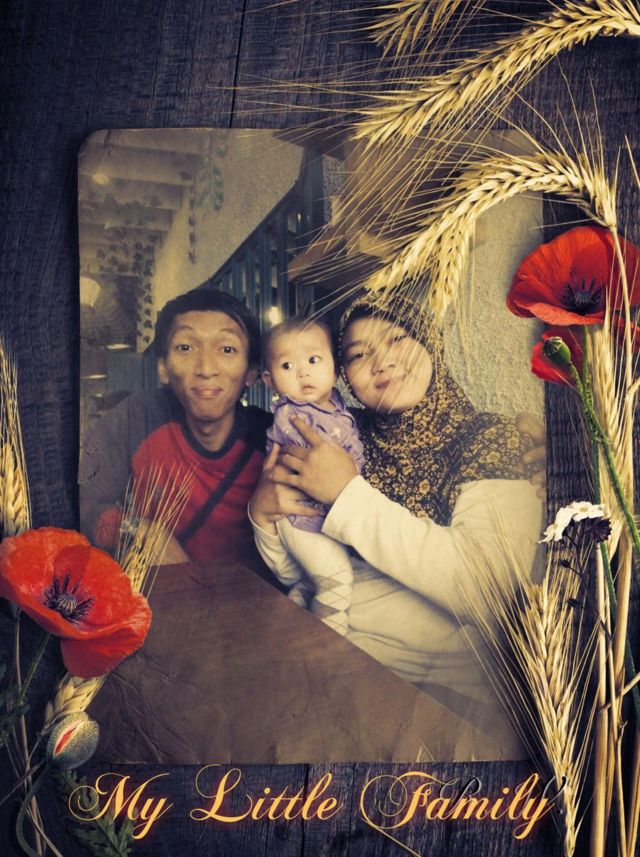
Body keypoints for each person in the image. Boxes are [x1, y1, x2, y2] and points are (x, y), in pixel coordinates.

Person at [249, 294, 544, 752]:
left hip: (443, 707)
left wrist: (346, 493)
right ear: (342, 375)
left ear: (430, 342)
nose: (382, 361)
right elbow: (300, 573)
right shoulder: (340, 435)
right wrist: (263, 517)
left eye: (398, 338)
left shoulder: (491, 439)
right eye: (358, 354)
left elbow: (484, 587)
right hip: (329, 671)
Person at [79, 285, 274, 575]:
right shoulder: (139, 417)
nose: (206, 368)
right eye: (185, 347)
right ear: (163, 367)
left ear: (251, 371)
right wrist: (138, 532)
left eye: (227, 349)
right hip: (160, 595)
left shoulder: (271, 438)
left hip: (252, 599)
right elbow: (82, 503)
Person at [262, 317, 365, 634]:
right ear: (269, 381)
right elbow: (317, 463)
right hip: (300, 515)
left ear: (335, 369)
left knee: (311, 581)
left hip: (321, 515)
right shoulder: (292, 414)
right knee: (336, 578)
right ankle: (328, 646)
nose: (303, 372)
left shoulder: (337, 408)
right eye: (287, 366)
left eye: (313, 359)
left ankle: (292, 623)